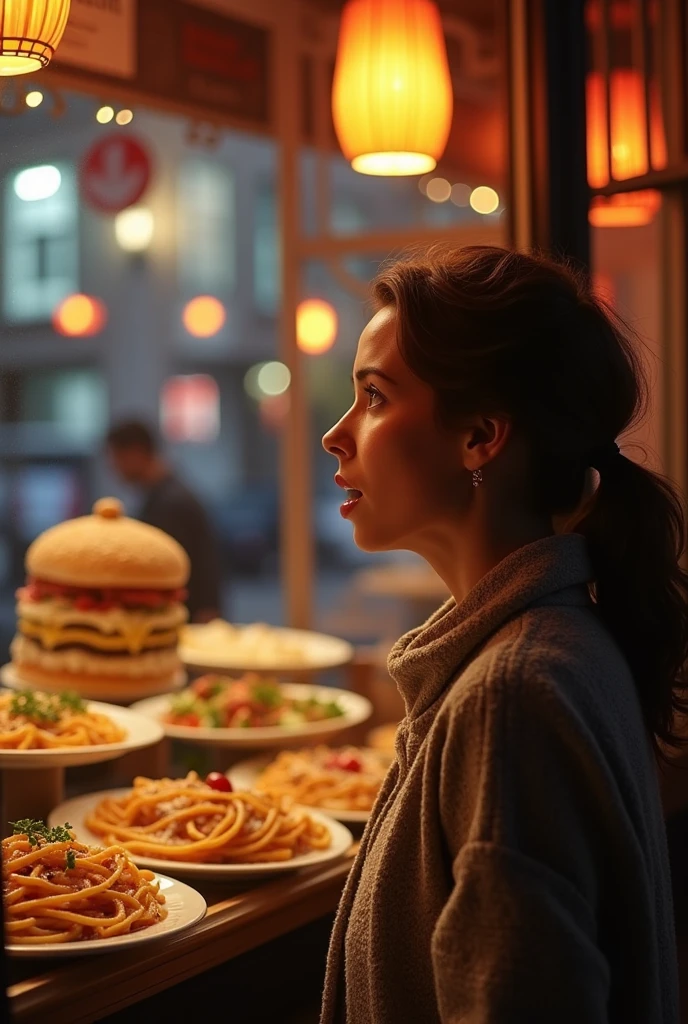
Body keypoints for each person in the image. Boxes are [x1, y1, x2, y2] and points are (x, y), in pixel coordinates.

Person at [321, 245, 685, 1024]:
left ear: (481, 436)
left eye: (375, 397)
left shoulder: (509, 700)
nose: (335, 435)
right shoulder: (553, 644)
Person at [106, 419, 223, 623]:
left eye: (117, 458)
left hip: (183, 618)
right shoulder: (166, 495)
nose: (114, 467)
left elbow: (187, 567)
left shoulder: (170, 503)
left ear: (136, 452)